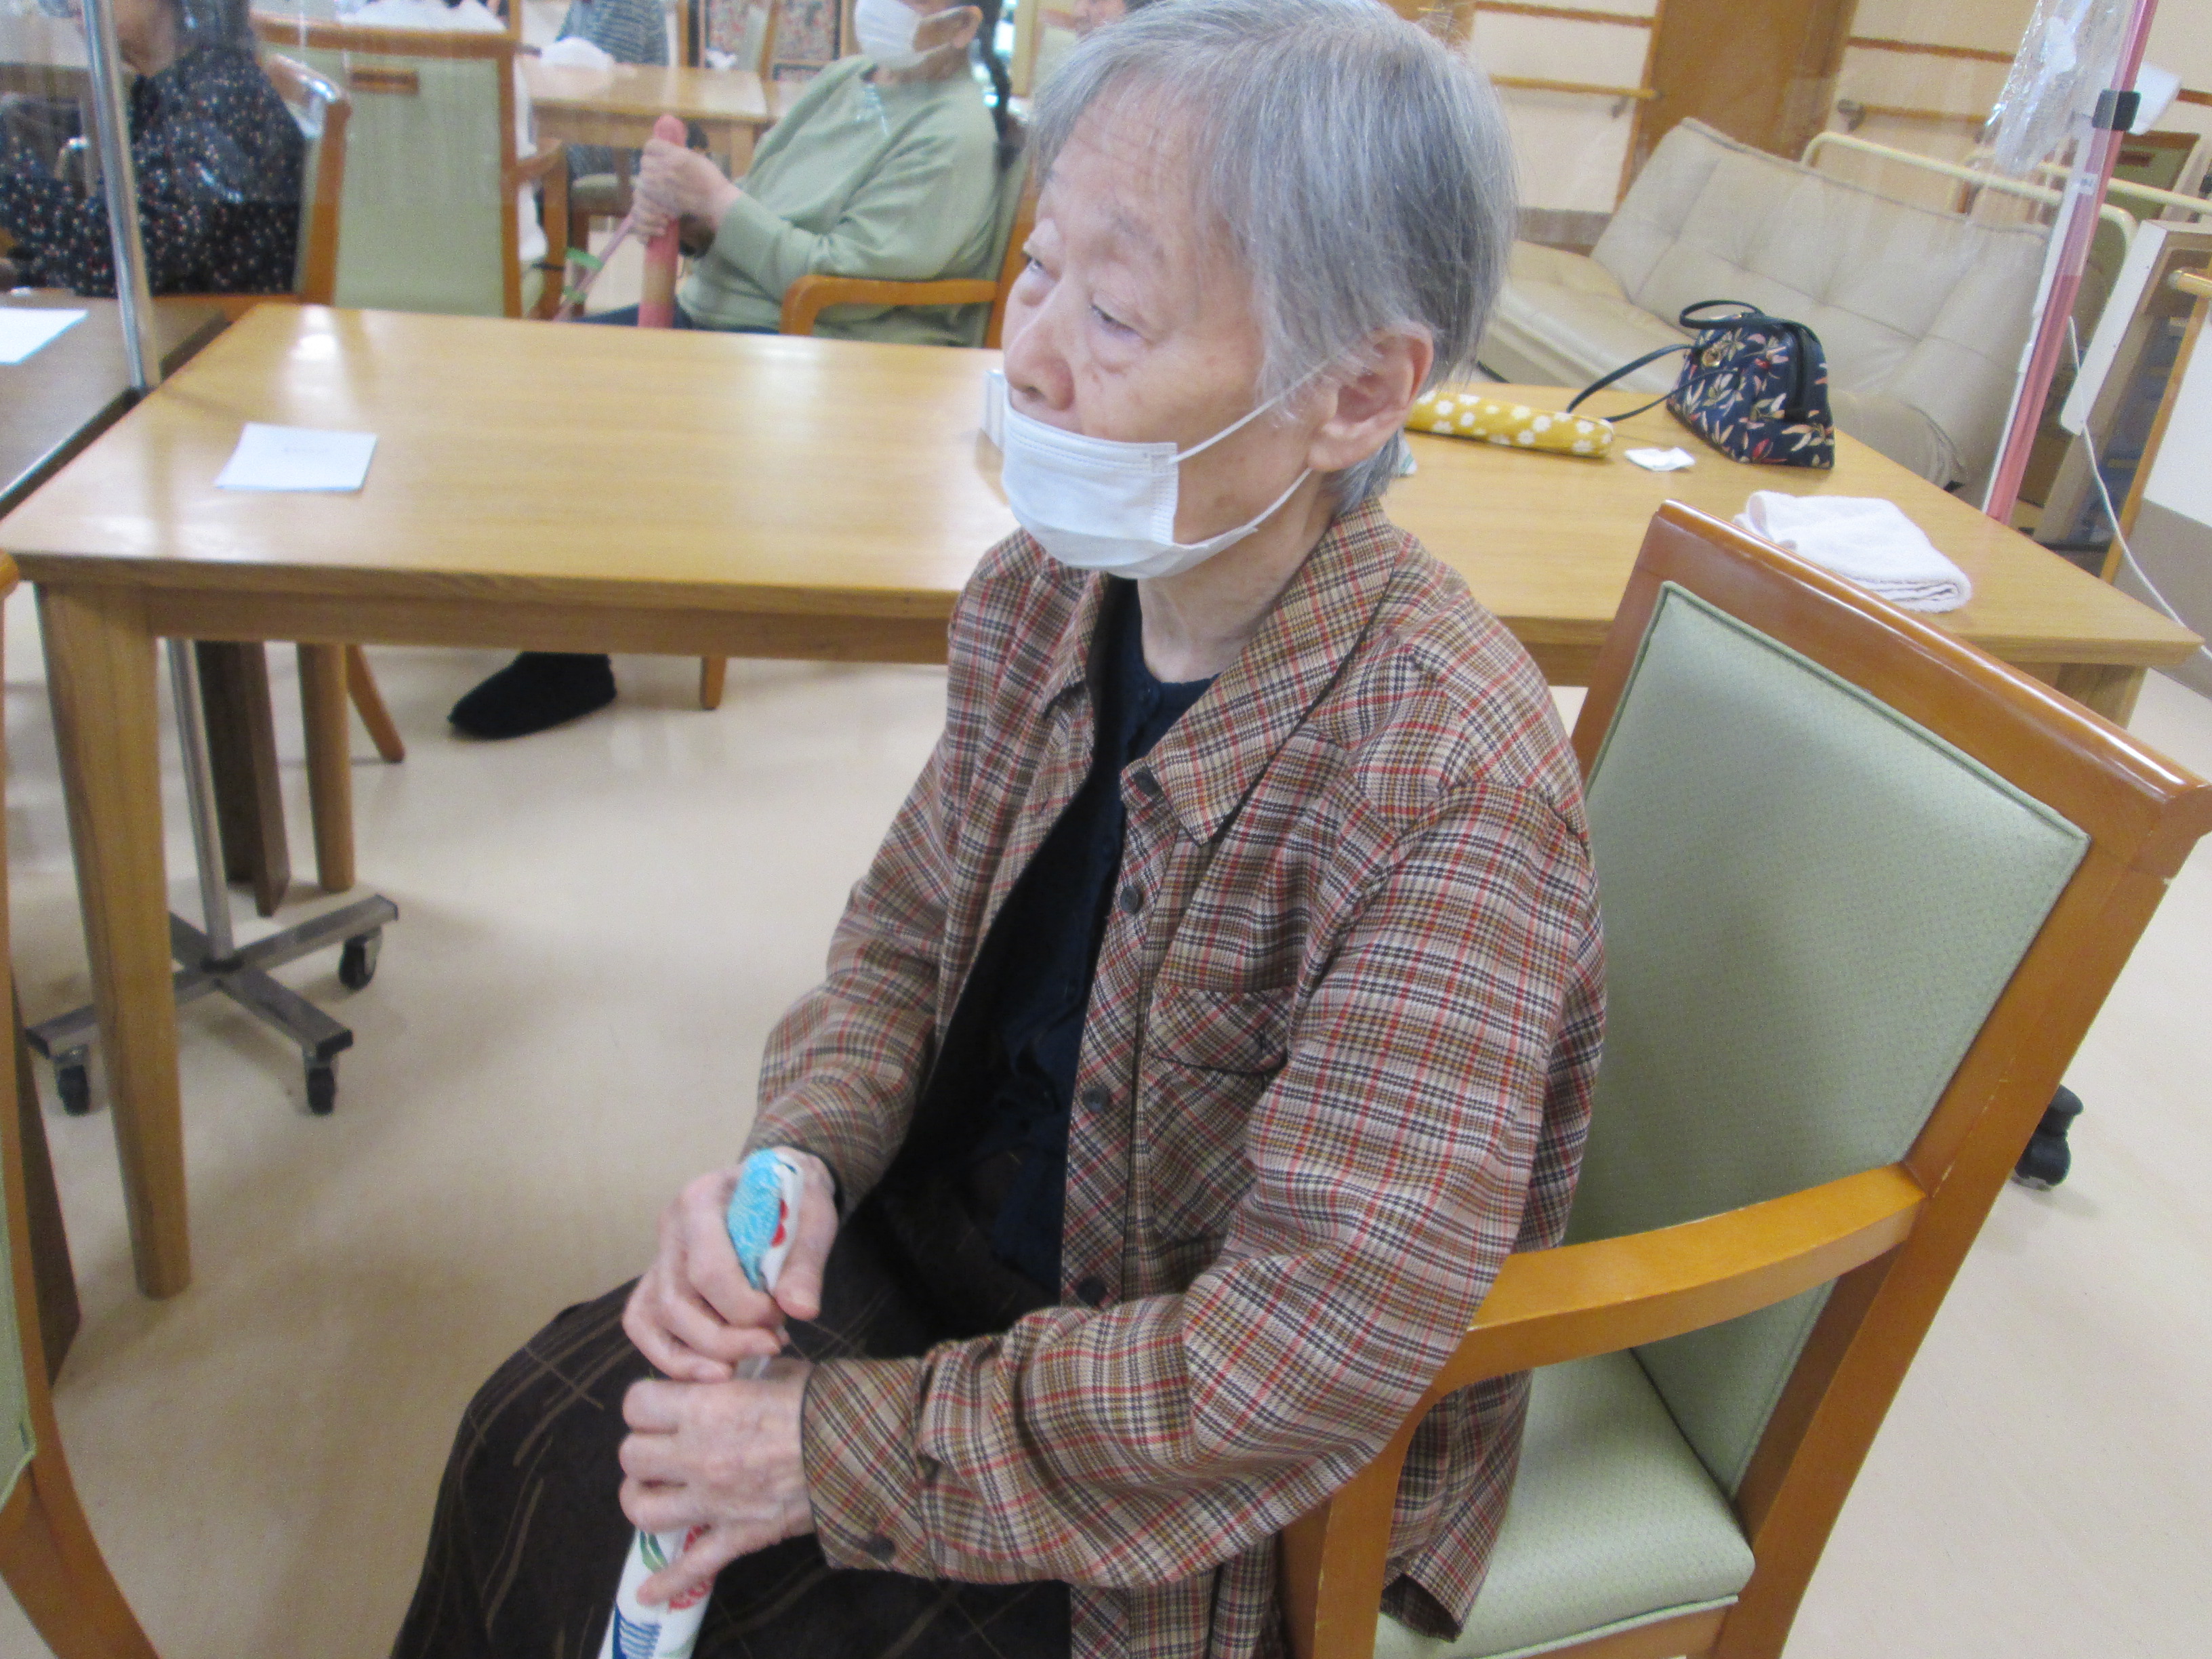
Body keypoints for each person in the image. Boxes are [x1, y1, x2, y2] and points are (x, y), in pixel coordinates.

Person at [393, 6, 1604, 1659]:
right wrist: (798, 1161)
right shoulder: (1042, 593)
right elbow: (902, 937)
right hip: (956, 1235)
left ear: (1357, 392)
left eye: (1114, 310)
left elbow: (1298, 1349)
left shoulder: (1446, 784)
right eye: (1038, 268)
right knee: (524, 1445)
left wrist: (829, 1451)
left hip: (1178, 1442)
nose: (1028, 351)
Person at [449, 0, 1010, 740]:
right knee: (535, 374)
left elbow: (842, 274)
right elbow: (762, 204)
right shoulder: (848, 78)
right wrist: (688, 212)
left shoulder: (955, 135)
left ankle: (570, 654)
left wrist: (714, 198)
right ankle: (549, 611)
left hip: (816, 351)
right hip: (735, 321)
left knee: (589, 407)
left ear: (964, 26)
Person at [0, 0, 302, 295]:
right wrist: (20, 273)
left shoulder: (218, 96)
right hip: (175, 314)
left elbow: (119, 262)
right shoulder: (171, 86)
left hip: (217, 324)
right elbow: (116, 248)